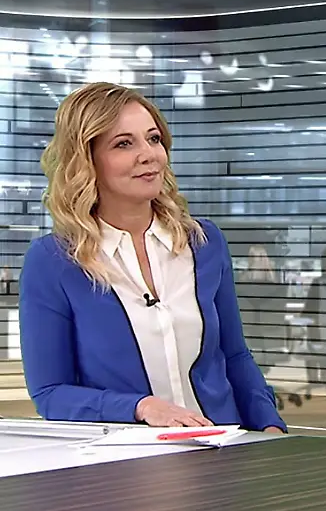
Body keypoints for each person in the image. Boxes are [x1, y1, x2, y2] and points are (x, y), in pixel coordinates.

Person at [18, 82, 286, 432]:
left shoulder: (203, 242)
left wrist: (268, 426)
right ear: (86, 159)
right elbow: (51, 393)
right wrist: (141, 407)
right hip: (125, 457)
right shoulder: (54, 261)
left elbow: (234, 356)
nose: (149, 155)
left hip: (221, 448)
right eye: (124, 144)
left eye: (154, 139)